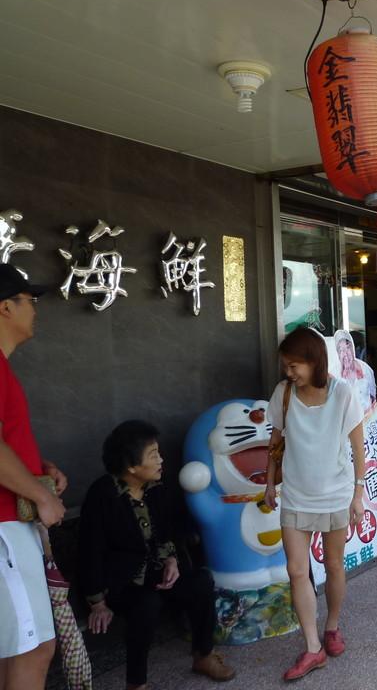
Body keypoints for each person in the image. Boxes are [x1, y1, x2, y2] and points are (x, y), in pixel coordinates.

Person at [78, 421, 235, 689]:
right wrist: (97, 603)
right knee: (146, 603)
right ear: (131, 466)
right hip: (122, 583)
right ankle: (136, 684)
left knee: (200, 582)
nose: (161, 460)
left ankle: (203, 655)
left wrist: (172, 559)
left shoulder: (157, 488)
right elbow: (89, 550)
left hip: (158, 573)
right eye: (153, 455)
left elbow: (171, 530)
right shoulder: (103, 495)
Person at [263, 327, 367, 681]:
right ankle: (312, 647)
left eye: (295, 365)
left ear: (314, 361)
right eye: (286, 365)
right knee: (297, 570)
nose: (289, 372)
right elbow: (275, 442)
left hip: (336, 493)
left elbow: (358, 447)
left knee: (334, 565)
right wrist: (269, 483)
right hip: (295, 494)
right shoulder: (284, 393)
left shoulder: (342, 393)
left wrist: (358, 494)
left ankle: (332, 626)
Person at [0, 263, 67, 690]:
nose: (36, 309)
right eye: (30, 300)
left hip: (9, 526)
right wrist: (42, 497)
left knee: (14, 649)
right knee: (33, 649)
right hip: (5, 529)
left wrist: (40, 469)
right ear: (5, 307)